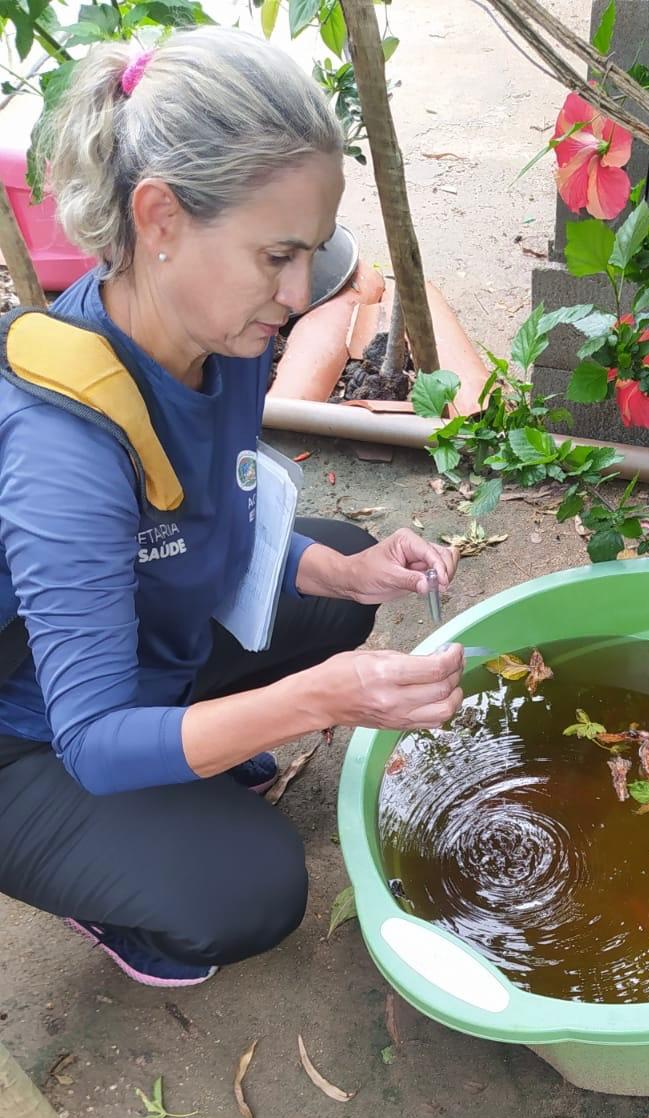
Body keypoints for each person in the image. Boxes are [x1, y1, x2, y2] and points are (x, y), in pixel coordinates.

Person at [0, 27, 464, 989]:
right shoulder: (63, 446)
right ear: (159, 217)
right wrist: (314, 699)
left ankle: (195, 742)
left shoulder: (231, 336)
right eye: (277, 256)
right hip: (35, 734)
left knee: (339, 563)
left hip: (131, 642)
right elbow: (88, 735)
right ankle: (114, 886)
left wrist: (341, 572)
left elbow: (208, 518)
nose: (299, 295)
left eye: (313, 254)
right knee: (248, 887)